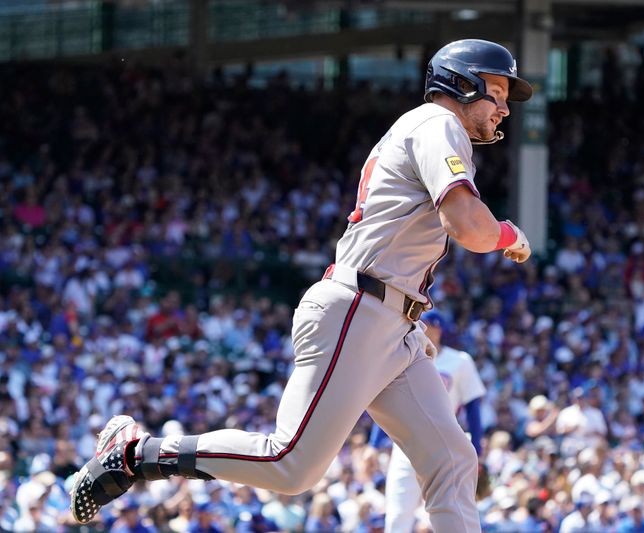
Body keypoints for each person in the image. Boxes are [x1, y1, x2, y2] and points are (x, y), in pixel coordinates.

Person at [69, 38, 533, 533]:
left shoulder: (433, 129)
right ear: (460, 84)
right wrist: (509, 234)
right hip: (360, 307)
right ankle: (136, 454)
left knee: (453, 461)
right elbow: (469, 226)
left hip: (392, 323)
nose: (504, 107)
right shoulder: (438, 123)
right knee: (290, 465)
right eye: (496, 90)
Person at [370, 310, 486, 533]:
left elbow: (473, 406)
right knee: (396, 517)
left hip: (442, 445)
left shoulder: (459, 361)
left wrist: (477, 448)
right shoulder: (403, 355)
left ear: (438, 329)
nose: (421, 327)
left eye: (427, 324)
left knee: (443, 516)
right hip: (405, 445)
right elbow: (388, 401)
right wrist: (374, 445)